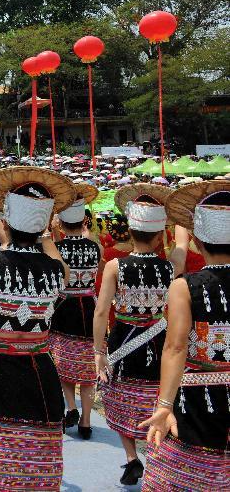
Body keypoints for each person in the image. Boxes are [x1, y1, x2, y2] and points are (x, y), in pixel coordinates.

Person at [0, 167, 74, 490]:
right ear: (42, 226)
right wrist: (46, 234)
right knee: (36, 464)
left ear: (6, 222)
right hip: (41, 369)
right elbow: (57, 260)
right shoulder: (56, 271)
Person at [94, 184, 189, 485]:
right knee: (156, 398)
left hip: (123, 339)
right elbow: (182, 247)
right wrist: (181, 218)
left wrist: (98, 351)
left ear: (131, 231)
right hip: (159, 342)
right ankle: (156, 455)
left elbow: (100, 312)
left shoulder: (115, 266)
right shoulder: (170, 267)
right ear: (160, 235)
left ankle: (132, 457)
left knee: (121, 398)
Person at [140, 181, 230, 491]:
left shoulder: (185, 286)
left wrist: (164, 405)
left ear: (198, 241)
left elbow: (176, 348)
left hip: (196, 400)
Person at [49, 184, 101, 439]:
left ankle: (71, 406)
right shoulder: (96, 247)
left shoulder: (57, 249)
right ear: (83, 221)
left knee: (63, 363)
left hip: (64, 308)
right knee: (88, 370)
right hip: (90, 307)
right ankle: (86, 421)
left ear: (61, 224)